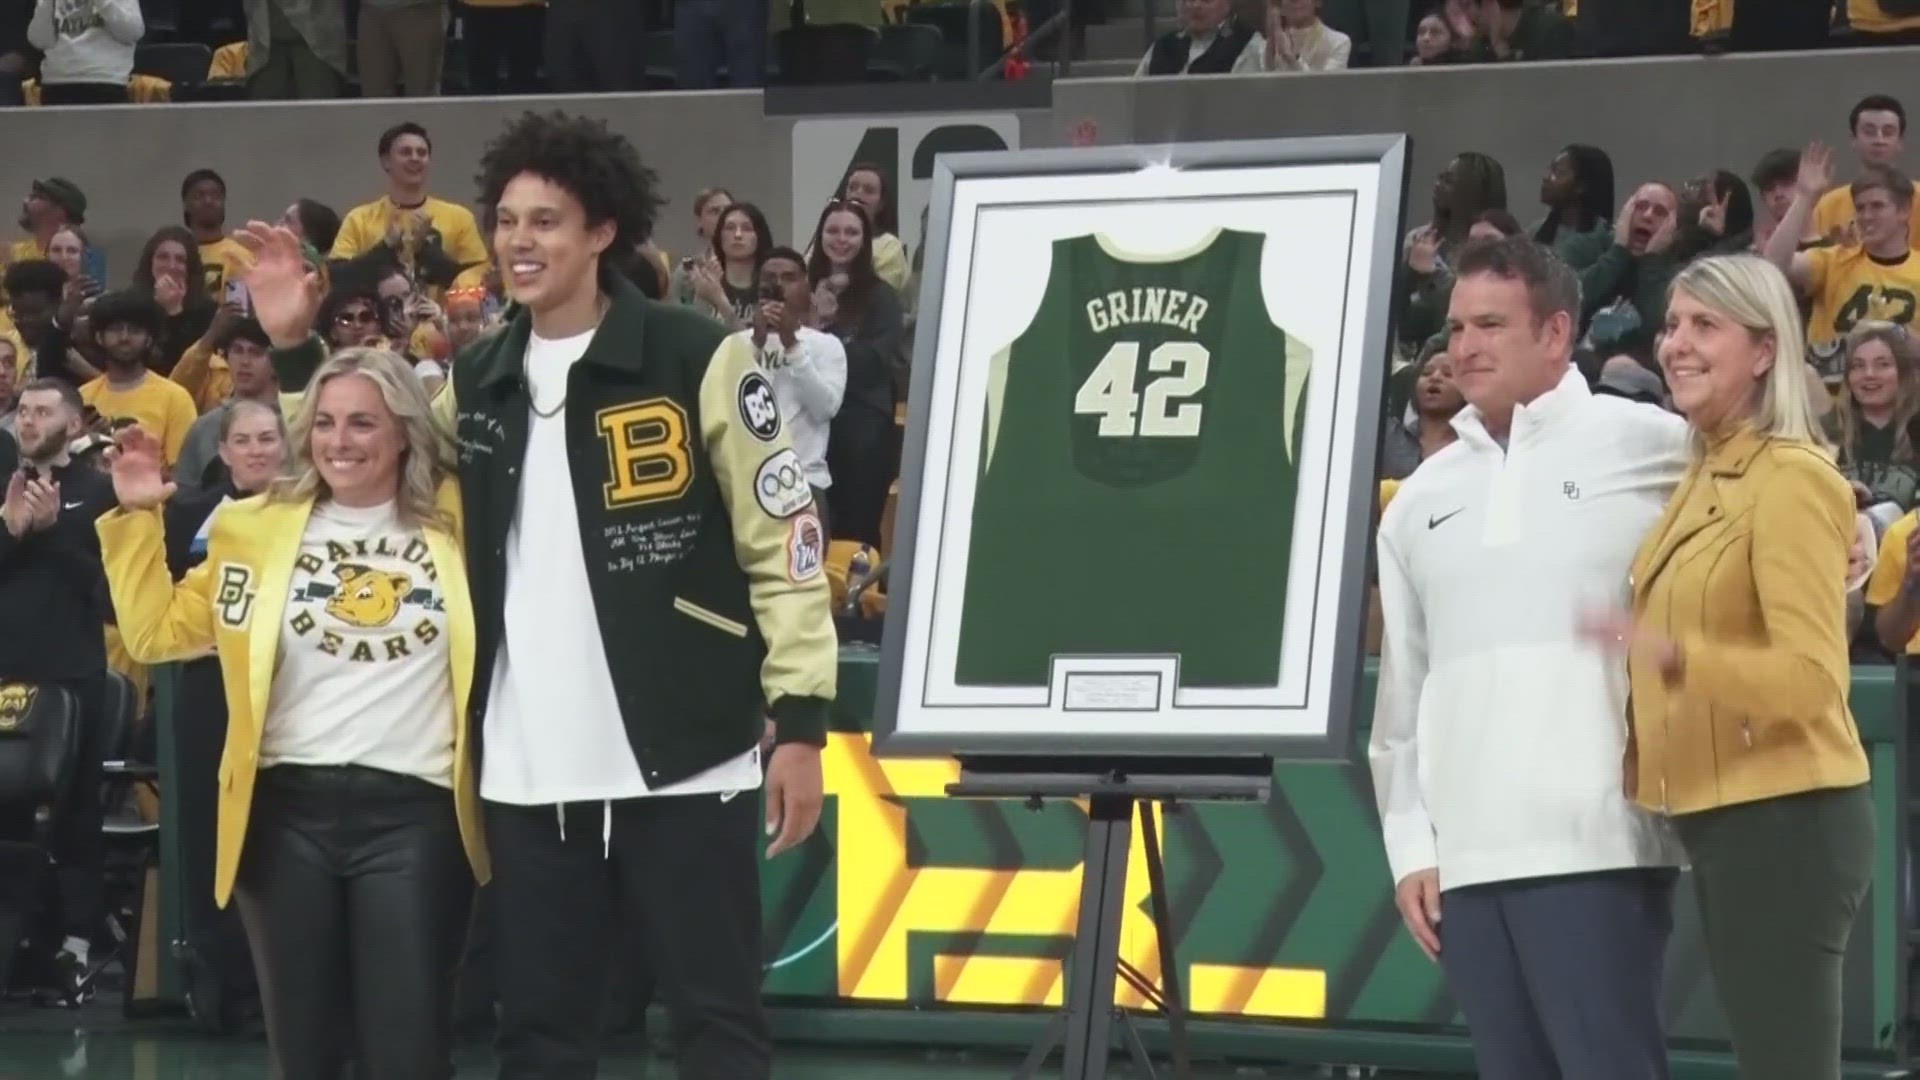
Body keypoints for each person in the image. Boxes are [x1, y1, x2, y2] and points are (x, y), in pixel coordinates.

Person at [249, 108, 837, 1080]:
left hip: (687, 762)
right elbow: (360, 463)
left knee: (716, 1026)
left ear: (602, 230)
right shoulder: (473, 379)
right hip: (529, 775)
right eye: (508, 220)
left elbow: (786, 543)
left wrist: (804, 719)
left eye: (547, 220)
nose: (520, 242)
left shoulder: (697, 355)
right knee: (540, 1040)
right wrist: (292, 351)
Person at [97, 348, 487, 1080]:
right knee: (303, 1056)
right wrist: (136, 514)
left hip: (417, 815)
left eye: (363, 423)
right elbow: (156, 634)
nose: (339, 441)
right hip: (284, 817)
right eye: (326, 423)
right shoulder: (252, 525)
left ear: (405, 430)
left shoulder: (459, 516)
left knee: (408, 1054)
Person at [1371, 236, 1690, 1080]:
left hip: (1605, 844)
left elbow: (1780, 501)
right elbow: (1404, 697)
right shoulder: (1418, 503)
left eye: (1488, 324)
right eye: (1454, 327)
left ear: (1555, 332)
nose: (1462, 347)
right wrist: (1412, 847)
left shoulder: (1656, 446)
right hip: (1469, 862)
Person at [1583, 254, 1873, 1080]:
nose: (1676, 343)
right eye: (1672, 324)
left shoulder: (1789, 478)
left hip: (1785, 817)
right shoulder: (1704, 467)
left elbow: (1811, 684)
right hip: (1730, 816)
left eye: (1705, 325)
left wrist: (1674, 655)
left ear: (1764, 350)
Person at [0, 378, 116, 1002]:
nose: (28, 419)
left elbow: (108, 594)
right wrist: (15, 531)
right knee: (6, 813)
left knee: (73, 810)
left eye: (44, 411)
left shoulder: (99, 493)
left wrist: (51, 533)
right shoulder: (4, 488)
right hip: (4, 671)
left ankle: (75, 940)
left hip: (72, 674)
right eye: (23, 409)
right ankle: (18, 940)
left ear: (73, 424)